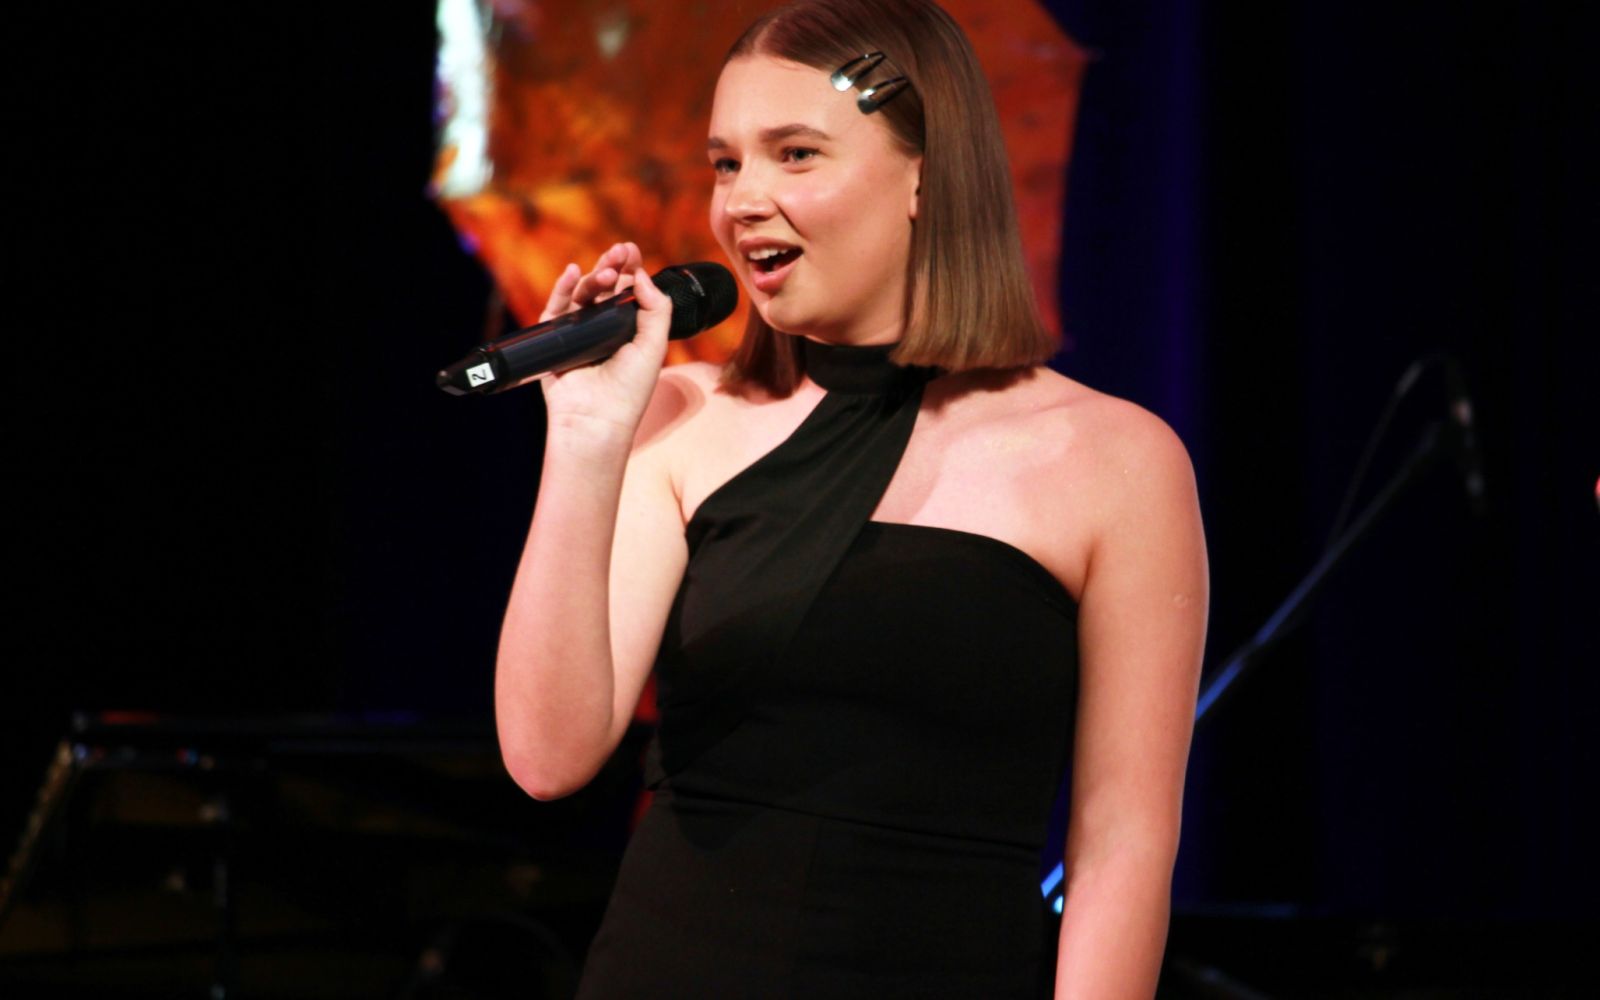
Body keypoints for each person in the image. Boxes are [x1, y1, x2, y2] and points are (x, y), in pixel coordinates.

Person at [494, 0, 1208, 996]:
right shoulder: (680, 415)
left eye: (795, 154)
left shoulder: (1114, 461)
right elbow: (547, 756)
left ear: (925, 174)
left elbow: (1121, 848)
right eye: (726, 162)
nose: (743, 200)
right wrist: (583, 438)